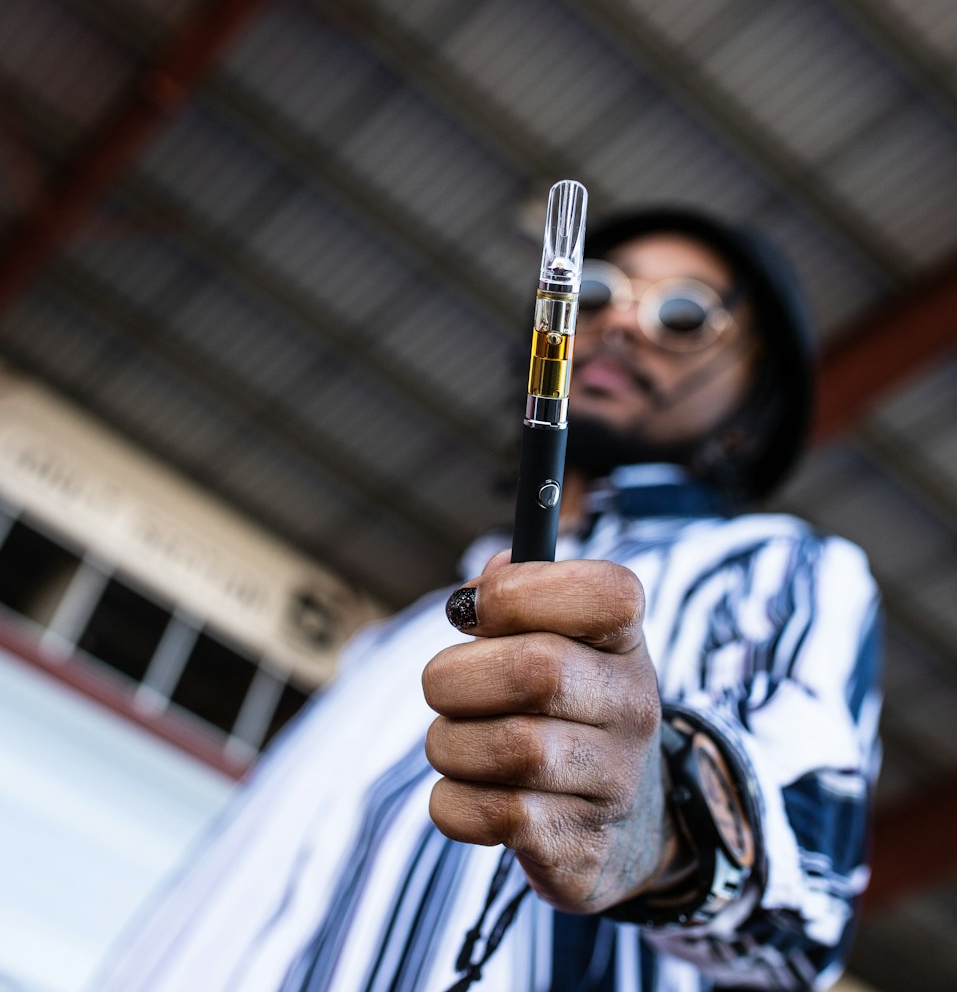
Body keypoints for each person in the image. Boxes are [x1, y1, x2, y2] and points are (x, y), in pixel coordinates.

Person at [91, 208, 883, 992]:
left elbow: (807, 899)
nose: (624, 324)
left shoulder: (776, 566)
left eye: (683, 314)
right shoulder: (411, 627)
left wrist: (658, 826)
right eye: (598, 294)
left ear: (750, 416)